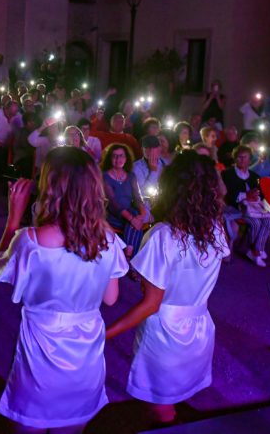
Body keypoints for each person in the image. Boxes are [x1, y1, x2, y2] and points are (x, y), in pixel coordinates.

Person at [0, 147, 127, 433]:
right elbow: (111, 298)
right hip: (86, 353)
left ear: (50, 186)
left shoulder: (31, 240)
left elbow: (2, 270)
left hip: (41, 352)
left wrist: (13, 220)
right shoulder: (107, 240)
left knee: (30, 422)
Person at [106, 150, 230, 425]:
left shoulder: (164, 236)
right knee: (174, 397)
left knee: (160, 408)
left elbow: (151, 303)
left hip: (166, 334)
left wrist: (105, 334)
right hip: (200, 326)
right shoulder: (215, 229)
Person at [221, 145, 270, 267]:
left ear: (250, 159)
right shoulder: (227, 174)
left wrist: (256, 196)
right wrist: (246, 195)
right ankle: (256, 252)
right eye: (239, 157)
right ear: (235, 158)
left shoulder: (254, 176)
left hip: (254, 208)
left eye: (245, 157)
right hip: (237, 208)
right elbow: (228, 195)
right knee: (256, 223)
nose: (242, 160)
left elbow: (260, 194)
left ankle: (256, 250)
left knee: (268, 220)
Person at [101, 143, 147, 258]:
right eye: (114, 156)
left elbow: (137, 198)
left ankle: (128, 252)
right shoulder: (104, 176)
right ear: (110, 158)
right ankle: (131, 257)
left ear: (126, 158)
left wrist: (142, 215)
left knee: (135, 219)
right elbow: (113, 203)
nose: (118, 159)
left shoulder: (131, 176)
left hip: (130, 213)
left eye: (121, 156)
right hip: (113, 215)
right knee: (134, 223)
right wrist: (132, 219)